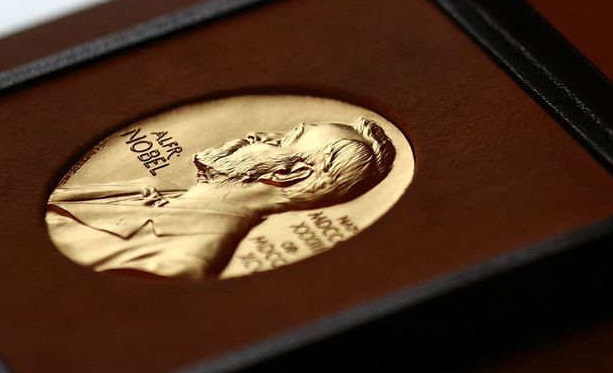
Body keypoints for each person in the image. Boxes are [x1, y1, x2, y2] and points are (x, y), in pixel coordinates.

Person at [46, 117, 396, 280]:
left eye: (279, 140)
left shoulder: (175, 264)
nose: (256, 134)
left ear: (288, 174)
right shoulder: (145, 189)